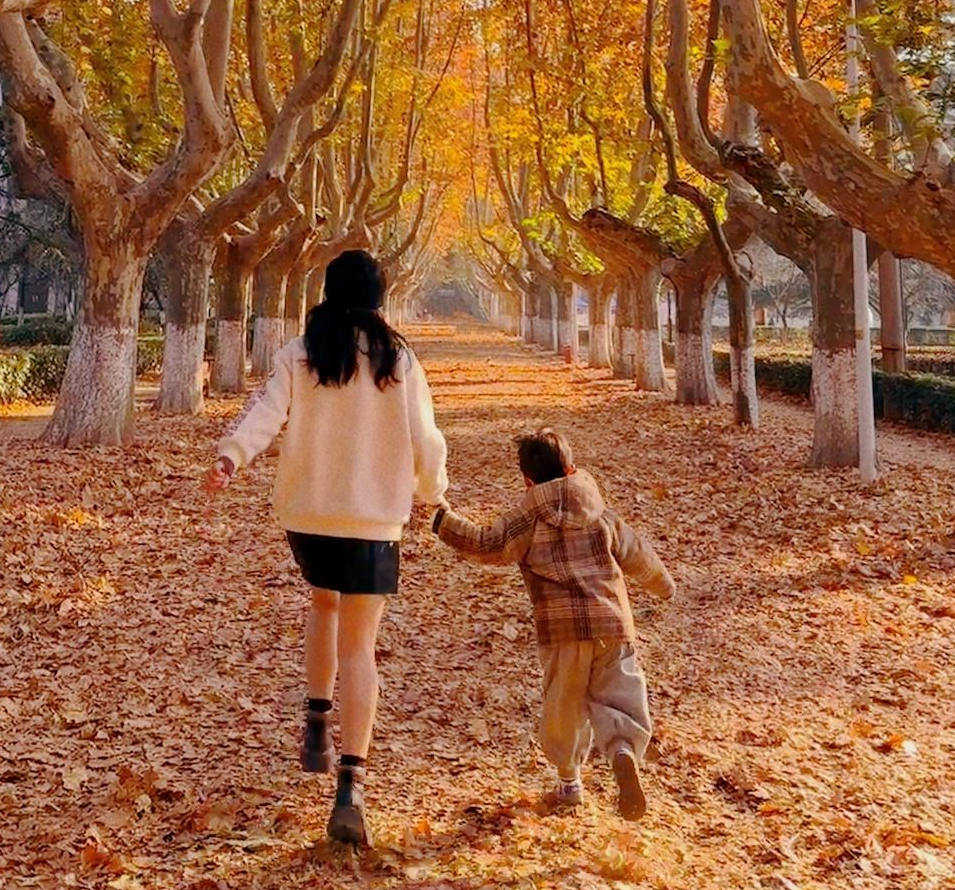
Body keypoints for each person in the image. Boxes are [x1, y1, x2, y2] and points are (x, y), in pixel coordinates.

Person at [205, 249, 448, 847]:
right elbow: (427, 438)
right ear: (378, 297)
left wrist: (232, 455)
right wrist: (431, 491)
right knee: (361, 644)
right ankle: (351, 784)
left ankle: (316, 720)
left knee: (323, 604)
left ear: (329, 292)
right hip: (373, 521)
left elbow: (267, 411)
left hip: (310, 515)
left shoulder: (303, 351)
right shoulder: (400, 359)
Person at [431, 426, 674, 818]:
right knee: (620, 694)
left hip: (562, 633)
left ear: (528, 481)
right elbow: (637, 553)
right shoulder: (601, 514)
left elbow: (486, 544)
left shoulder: (526, 520)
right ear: (572, 467)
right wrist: (665, 586)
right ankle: (623, 749)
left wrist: (444, 521)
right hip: (613, 624)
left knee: (565, 707)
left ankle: (569, 782)